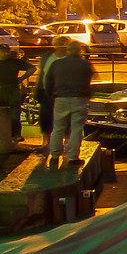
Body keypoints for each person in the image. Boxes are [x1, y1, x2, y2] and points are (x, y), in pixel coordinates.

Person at [41, 37, 93, 168]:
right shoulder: (85, 64)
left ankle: (54, 156)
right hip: (79, 99)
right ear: (79, 51)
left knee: (58, 128)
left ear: (68, 50)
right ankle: (73, 157)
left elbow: (48, 82)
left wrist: (53, 94)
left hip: (60, 98)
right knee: (76, 128)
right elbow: (89, 83)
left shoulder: (57, 64)